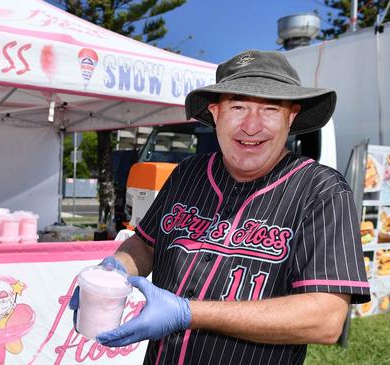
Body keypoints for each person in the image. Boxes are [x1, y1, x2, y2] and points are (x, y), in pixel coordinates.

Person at [69, 50, 370, 365]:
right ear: (215, 113)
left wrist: (189, 314)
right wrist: (116, 269)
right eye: (238, 107)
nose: (251, 126)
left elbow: (326, 318)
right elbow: (146, 244)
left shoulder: (321, 190)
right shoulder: (187, 173)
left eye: (269, 109)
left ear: (291, 116)